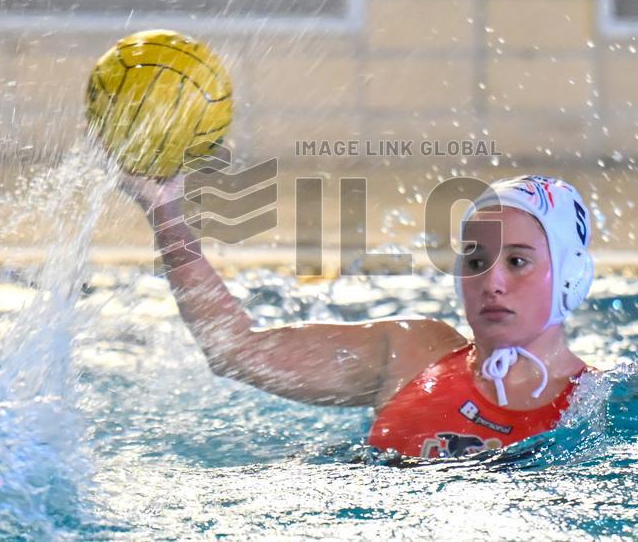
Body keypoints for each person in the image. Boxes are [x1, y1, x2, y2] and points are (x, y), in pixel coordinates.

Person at [121, 173, 595, 459]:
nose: (491, 282)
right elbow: (235, 350)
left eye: (517, 261)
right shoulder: (410, 354)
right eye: (475, 260)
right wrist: (165, 212)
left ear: (571, 276)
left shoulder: (604, 403)